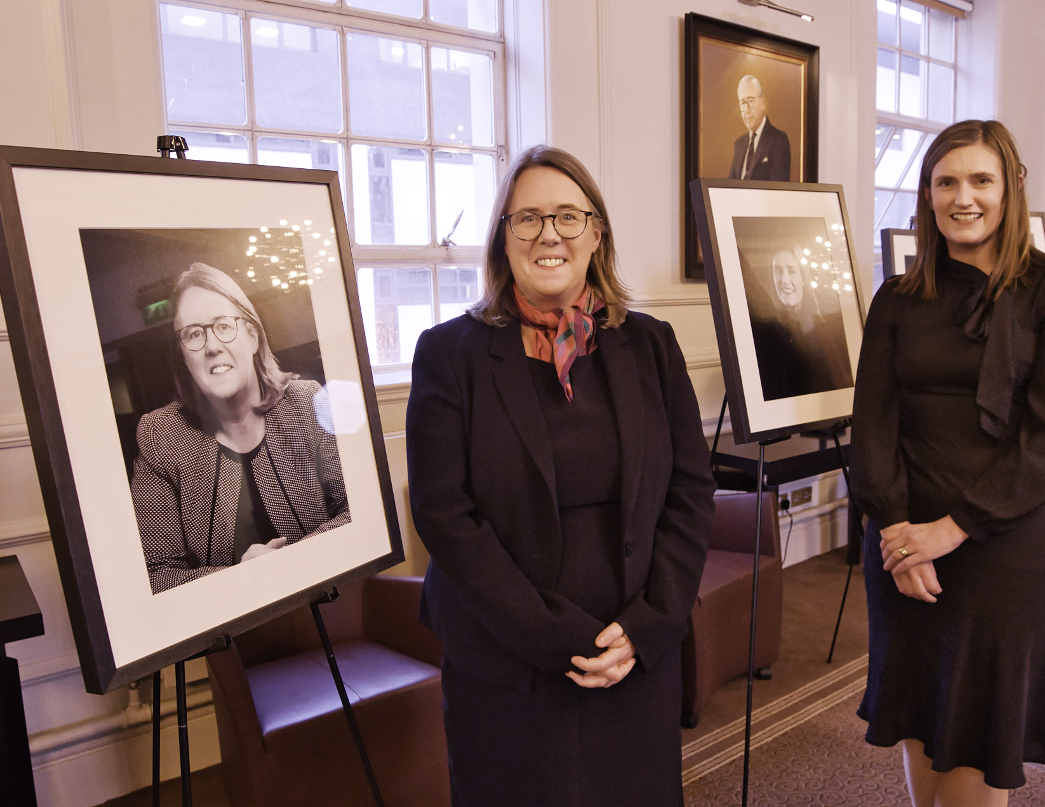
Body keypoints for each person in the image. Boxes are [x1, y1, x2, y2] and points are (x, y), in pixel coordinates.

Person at [406, 145, 715, 806]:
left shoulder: (652, 344)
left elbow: (690, 491)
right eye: (528, 218)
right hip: (507, 659)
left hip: (633, 647)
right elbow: (444, 515)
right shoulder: (449, 353)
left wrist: (649, 623)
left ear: (596, 232)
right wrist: (558, 638)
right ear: (503, 236)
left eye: (568, 216)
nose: (550, 234)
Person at [851, 119, 1045, 807]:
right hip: (903, 547)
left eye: (981, 180)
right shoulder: (897, 300)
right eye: (946, 181)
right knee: (919, 717)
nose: (964, 197)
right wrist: (900, 536)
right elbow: (870, 427)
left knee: (980, 735)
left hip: (1009, 549)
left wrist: (949, 529)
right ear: (928, 195)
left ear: (1012, 188)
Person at [132, 263, 350, 594]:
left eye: (223, 326)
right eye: (193, 333)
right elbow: (155, 573)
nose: (211, 346)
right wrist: (241, 577)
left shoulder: (307, 403)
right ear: (183, 355)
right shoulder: (160, 434)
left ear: (252, 335)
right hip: (228, 638)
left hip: (327, 607)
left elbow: (355, 511)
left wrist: (288, 562)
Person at [749, 243, 853, 399]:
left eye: (791, 272)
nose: (784, 280)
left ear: (803, 277)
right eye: (778, 271)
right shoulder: (766, 329)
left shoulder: (823, 327)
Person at [729, 75, 792, 182]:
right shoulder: (739, 144)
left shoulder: (779, 140)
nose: (746, 109)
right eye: (743, 103)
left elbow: (777, 189)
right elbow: (728, 187)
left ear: (762, 102)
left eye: (750, 101)